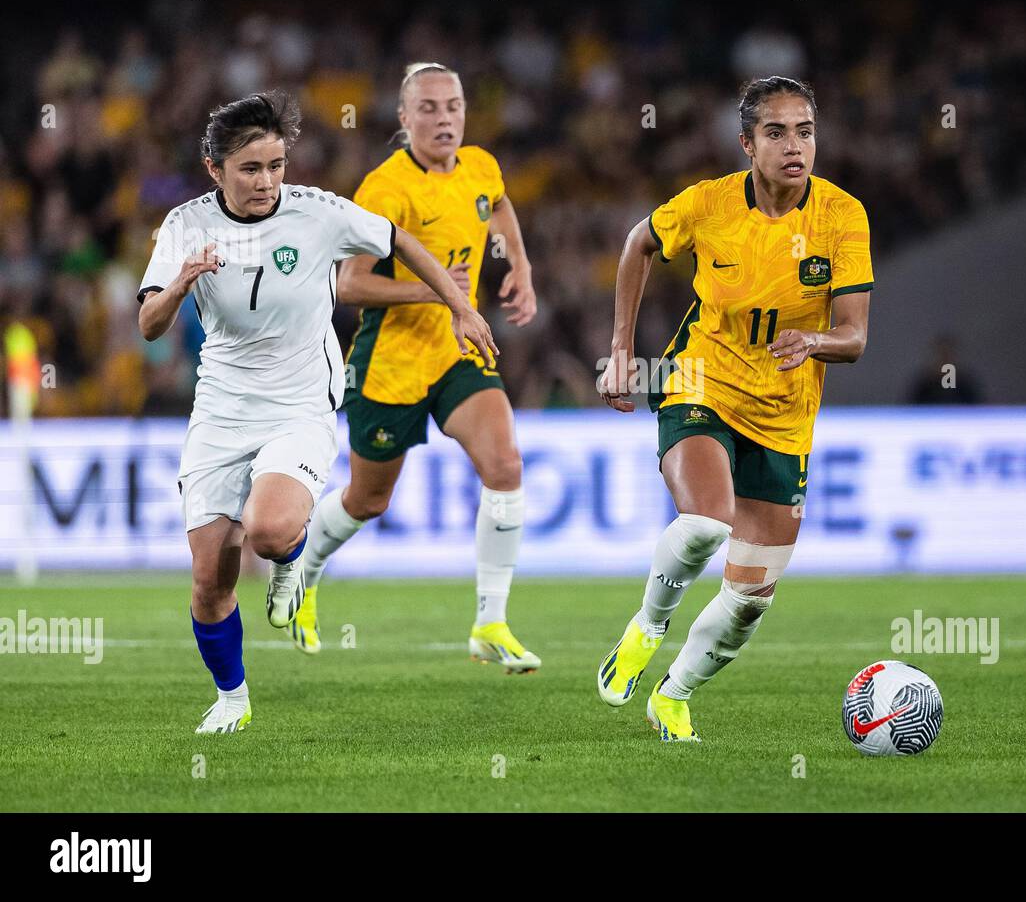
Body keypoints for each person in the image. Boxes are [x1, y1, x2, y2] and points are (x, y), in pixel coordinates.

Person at [137, 91, 495, 733]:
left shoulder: (318, 213)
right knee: (209, 582)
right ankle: (232, 698)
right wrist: (182, 284)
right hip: (220, 409)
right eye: (250, 169)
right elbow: (148, 324)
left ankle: (291, 559)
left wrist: (459, 307)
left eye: (276, 165)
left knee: (269, 530)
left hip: (300, 400)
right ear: (214, 169)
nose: (267, 181)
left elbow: (402, 241)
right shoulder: (185, 226)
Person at [595, 76, 872, 741]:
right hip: (701, 381)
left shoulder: (842, 216)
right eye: (776, 132)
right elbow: (639, 242)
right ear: (748, 143)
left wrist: (815, 339)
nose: (794, 145)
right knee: (704, 522)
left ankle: (675, 691)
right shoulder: (708, 205)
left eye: (804, 130)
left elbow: (856, 337)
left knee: (750, 600)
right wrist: (622, 349)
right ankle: (648, 626)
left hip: (784, 416)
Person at [294, 62, 541, 671]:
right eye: (427, 109)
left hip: (458, 351)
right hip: (390, 364)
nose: (443, 119)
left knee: (505, 466)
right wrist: (439, 292)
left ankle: (491, 622)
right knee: (367, 499)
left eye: (453, 106)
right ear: (404, 120)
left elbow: (498, 206)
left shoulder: (480, 167)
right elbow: (349, 284)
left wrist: (518, 265)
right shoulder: (386, 189)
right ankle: (304, 571)